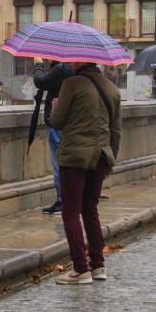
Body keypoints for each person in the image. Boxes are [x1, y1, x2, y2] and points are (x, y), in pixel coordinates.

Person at [49, 62, 121, 284]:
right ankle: (98, 266)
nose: (69, 64)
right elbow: (116, 130)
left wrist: (56, 106)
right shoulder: (112, 88)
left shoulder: (71, 84)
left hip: (76, 156)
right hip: (101, 155)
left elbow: (57, 122)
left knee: (70, 212)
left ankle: (80, 269)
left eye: (72, 61)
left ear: (80, 61)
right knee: (91, 210)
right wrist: (111, 159)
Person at [33, 59, 74, 214]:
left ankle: (62, 201)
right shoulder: (73, 69)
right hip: (72, 123)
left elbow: (40, 82)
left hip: (58, 123)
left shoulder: (61, 69)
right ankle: (70, 200)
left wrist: (38, 65)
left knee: (59, 164)